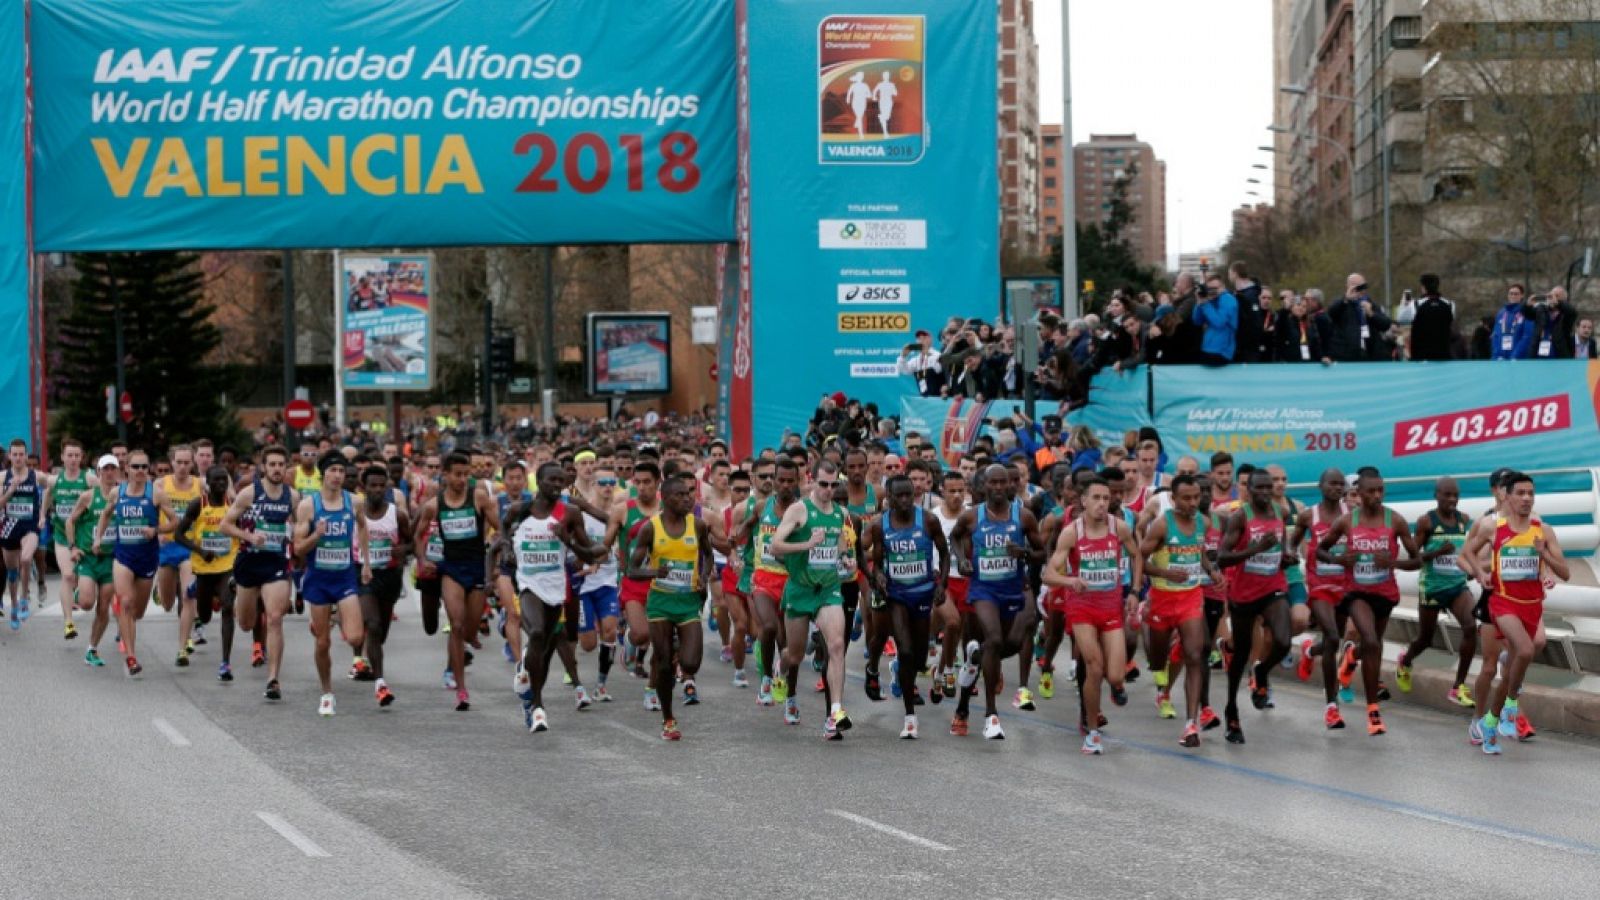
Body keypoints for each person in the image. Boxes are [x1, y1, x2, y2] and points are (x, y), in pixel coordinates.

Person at [1462, 471, 1568, 754]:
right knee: (1521, 651)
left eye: (1530, 493)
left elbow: (1565, 573)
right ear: (1505, 496)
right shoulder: (1491, 527)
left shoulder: (1543, 530)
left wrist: (1544, 555)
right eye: (1520, 493)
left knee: (1516, 666)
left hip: (1532, 605)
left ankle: (1492, 720)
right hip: (1501, 601)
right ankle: (1509, 707)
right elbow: (1467, 553)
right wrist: (1480, 574)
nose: (1526, 498)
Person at [1317, 467, 1420, 736]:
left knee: (1369, 647)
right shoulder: (1347, 522)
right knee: (1372, 641)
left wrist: (1393, 562)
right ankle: (1373, 710)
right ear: (1359, 494)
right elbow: (1319, 550)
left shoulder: (1394, 521)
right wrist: (1338, 560)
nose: (1376, 495)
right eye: (1371, 491)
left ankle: (1351, 657)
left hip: (1385, 594)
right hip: (1356, 593)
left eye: (1380, 491)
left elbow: (1416, 559)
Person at [506, 462, 606, 734]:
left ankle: (527, 681)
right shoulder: (519, 511)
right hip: (528, 584)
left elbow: (588, 553)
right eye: (551, 480)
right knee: (537, 632)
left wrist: (568, 541)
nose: (556, 485)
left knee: (548, 644)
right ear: (537, 482)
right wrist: (505, 553)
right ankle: (537, 706)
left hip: (556, 586)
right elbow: (502, 536)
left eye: (560, 481)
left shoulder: (570, 513)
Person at [947, 464, 1044, 741]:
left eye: (1004, 483)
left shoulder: (1023, 517)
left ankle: (964, 702)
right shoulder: (972, 517)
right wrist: (963, 560)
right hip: (983, 590)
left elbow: (1041, 551)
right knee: (994, 638)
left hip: (1013, 589)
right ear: (983, 486)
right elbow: (954, 537)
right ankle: (991, 715)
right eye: (994, 483)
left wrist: (1024, 552)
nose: (1000, 488)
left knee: (1003, 645)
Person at [770, 460, 856, 738]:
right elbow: (775, 545)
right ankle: (778, 669)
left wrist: (846, 558)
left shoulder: (840, 513)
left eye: (833, 485)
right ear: (812, 481)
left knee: (837, 645)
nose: (828, 490)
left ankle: (836, 712)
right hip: (799, 590)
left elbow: (839, 543)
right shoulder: (799, 510)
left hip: (828, 589)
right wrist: (806, 545)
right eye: (823, 484)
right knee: (794, 654)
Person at [412, 451, 502, 711]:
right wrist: (421, 560)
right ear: (446, 475)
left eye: (466, 474)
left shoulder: (479, 497)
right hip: (450, 568)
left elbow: (499, 528)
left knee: (470, 630)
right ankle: (461, 689)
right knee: (457, 624)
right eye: (458, 474)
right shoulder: (434, 505)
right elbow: (418, 537)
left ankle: (470, 640)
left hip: (476, 567)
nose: (463, 479)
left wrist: (498, 548)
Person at [627, 473, 712, 741]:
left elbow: (707, 554)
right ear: (665, 499)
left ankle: (677, 652)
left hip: (687, 603)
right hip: (661, 603)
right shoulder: (650, 528)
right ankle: (668, 719)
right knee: (662, 665)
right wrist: (654, 571)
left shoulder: (698, 526)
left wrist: (704, 578)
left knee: (691, 663)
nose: (687, 498)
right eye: (680, 495)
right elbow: (631, 569)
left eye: (690, 493)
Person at [1138, 474, 1220, 747]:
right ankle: (1161, 669)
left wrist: (1211, 570)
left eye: (1196, 497)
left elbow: (1200, 552)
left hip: (1190, 597)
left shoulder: (1203, 523)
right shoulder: (1162, 525)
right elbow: (1141, 558)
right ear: (1174, 499)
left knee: (1195, 655)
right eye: (1187, 498)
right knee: (1157, 661)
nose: (1193, 502)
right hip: (1162, 598)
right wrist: (1165, 573)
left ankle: (1190, 724)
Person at [864, 475, 950, 739]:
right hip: (897, 595)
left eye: (908, 495)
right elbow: (874, 559)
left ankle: (904, 671)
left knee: (920, 656)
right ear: (887, 497)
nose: (904, 501)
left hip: (923, 593)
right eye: (898, 496)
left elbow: (945, 554)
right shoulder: (881, 526)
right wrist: (876, 576)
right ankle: (910, 716)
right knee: (905, 648)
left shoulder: (928, 520)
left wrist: (941, 585)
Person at [1214, 469, 1295, 744]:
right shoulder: (1240, 517)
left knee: (1283, 642)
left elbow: (1279, 548)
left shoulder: (1279, 513)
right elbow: (1222, 558)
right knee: (1240, 655)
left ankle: (1261, 671)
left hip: (1273, 587)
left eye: (1267, 488)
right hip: (1244, 593)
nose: (1263, 493)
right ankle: (1231, 711)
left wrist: (1286, 558)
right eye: (1257, 488)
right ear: (1248, 490)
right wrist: (1254, 550)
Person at [291, 454, 368, 717]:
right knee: (323, 643)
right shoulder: (308, 506)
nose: (337, 475)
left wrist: (366, 562)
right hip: (319, 579)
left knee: (356, 637)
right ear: (323, 474)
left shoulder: (354, 502)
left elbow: (363, 527)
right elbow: (298, 548)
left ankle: (335, 616)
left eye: (341, 470)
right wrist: (316, 535)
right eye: (332, 470)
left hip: (344, 577)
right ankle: (327, 693)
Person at [221, 446, 299, 699]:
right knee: (245, 623)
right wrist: (249, 536)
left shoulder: (292, 497)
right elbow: (225, 525)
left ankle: (273, 679)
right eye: (272, 464)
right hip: (249, 562)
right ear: (263, 467)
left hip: (276, 563)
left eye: (281, 464)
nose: (277, 469)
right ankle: (238, 590)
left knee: (275, 618)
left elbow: (299, 528)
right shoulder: (250, 493)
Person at [93, 449, 179, 676]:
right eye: (136, 467)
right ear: (127, 470)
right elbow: (105, 514)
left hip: (148, 558)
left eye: (144, 467)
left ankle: (131, 610)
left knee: (137, 612)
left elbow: (175, 521)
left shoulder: (156, 494)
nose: (140, 471)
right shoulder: (116, 493)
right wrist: (98, 538)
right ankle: (131, 657)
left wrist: (156, 530)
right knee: (126, 602)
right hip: (123, 557)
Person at [1396, 476, 1477, 706]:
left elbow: (1465, 551)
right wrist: (1437, 553)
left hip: (1457, 586)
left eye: (1455, 495)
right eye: (1447, 495)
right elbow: (1414, 557)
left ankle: (1458, 686)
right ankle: (1405, 661)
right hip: (1432, 587)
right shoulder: (1426, 522)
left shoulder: (1464, 520)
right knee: (1425, 639)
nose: (1452, 499)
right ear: (1436, 495)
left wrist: (1471, 568)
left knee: (1471, 627)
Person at [1290, 468, 1353, 727]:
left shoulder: (1351, 515)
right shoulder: (1308, 516)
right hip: (1319, 586)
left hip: (1345, 584)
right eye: (1332, 484)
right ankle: (1331, 706)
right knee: (1334, 637)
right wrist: (1290, 556)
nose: (1337, 488)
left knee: (1331, 642)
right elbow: (1292, 543)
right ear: (1321, 485)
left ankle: (1310, 651)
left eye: (1341, 484)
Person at [172, 465, 240, 681]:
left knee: (228, 608)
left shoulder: (234, 505)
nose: (221, 484)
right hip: (203, 567)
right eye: (217, 480)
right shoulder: (198, 504)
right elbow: (179, 535)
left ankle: (225, 663)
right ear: (208, 483)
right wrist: (200, 550)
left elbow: (242, 530)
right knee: (205, 615)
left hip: (227, 565)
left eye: (224, 480)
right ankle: (199, 592)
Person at [740, 458, 798, 706]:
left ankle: (790, 696)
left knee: (789, 644)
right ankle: (765, 678)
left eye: (790, 481)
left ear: (797, 482)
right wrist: (736, 542)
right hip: (763, 578)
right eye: (780, 480)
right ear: (773, 481)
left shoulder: (801, 511)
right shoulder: (761, 506)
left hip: (791, 582)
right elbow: (748, 527)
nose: (785, 485)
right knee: (770, 627)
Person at [354, 464, 410, 707]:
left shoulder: (397, 514)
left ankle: (373, 655)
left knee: (381, 631)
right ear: (363, 488)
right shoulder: (355, 513)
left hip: (390, 576)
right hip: (364, 574)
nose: (377, 490)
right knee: (373, 625)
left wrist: (403, 550)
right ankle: (380, 683)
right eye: (372, 486)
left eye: (381, 486)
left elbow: (411, 544)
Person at [65, 455, 121, 667]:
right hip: (88, 558)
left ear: (117, 472)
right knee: (87, 603)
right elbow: (70, 521)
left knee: (104, 606)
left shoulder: (122, 496)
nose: (109, 473)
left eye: (112, 469)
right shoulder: (89, 496)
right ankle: (79, 592)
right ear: (98, 472)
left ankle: (92, 648)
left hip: (110, 560)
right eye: (105, 469)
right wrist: (73, 547)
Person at [42, 439, 95, 640]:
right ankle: (68, 622)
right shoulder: (55, 480)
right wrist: (41, 515)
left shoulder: (89, 479)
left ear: (81, 458)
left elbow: (102, 497)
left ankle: (78, 594)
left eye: (76, 455)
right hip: (62, 536)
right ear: (62, 457)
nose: (73, 459)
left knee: (81, 580)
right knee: (67, 576)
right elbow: (48, 495)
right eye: (69, 455)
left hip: (84, 537)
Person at [155, 444, 202, 665]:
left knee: (188, 595)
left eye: (187, 462)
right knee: (166, 604)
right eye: (179, 462)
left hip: (189, 548)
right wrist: (157, 533)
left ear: (192, 463)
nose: (183, 467)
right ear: (172, 462)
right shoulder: (160, 485)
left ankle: (182, 648)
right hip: (167, 547)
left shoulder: (200, 486)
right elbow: (149, 512)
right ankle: (160, 588)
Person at [0, 438, 43, 625]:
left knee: (26, 559)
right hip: (8, 529)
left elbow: (53, 486)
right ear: (10, 456)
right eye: (14, 454)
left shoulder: (36, 476)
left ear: (26, 456)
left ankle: (25, 598)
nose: (18, 458)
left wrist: (42, 514)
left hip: (29, 528)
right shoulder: (2, 477)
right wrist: (11, 490)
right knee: (12, 572)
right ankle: (15, 605)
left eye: (21, 454)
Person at [1189, 274, 1238, 366]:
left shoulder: (1228, 299)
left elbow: (1219, 322)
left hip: (1222, 351)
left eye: (1215, 288)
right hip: (1208, 348)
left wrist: (1206, 304)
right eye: (1210, 288)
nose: (1212, 291)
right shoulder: (1210, 300)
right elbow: (1197, 320)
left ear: (1223, 287)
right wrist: (1199, 303)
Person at [1407, 274, 1457, 361]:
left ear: (1423, 287)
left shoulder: (1415, 305)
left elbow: (1402, 320)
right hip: (1443, 353)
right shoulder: (1450, 304)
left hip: (1421, 355)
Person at [1228, 261, 1268, 363]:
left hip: (1247, 350)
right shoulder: (1239, 294)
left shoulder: (1250, 295)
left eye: (1230, 273)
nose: (1229, 276)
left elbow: (1254, 323)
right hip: (1240, 347)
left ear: (1235, 273)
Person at [1489, 284, 1534, 360]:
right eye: (1511, 293)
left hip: (1518, 358)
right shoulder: (1501, 313)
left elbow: (1527, 336)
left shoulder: (1526, 312)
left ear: (1522, 295)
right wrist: (1496, 355)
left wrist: (1516, 355)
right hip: (1501, 357)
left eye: (1516, 294)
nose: (1513, 296)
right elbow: (1496, 335)